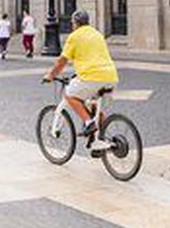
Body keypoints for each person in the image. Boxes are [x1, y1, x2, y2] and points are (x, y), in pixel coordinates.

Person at [42, 10, 118, 150]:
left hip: (91, 77)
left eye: (72, 23)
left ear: (75, 23)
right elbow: (93, 58)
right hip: (111, 77)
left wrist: (51, 75)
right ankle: (100, 141)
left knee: (70, 95)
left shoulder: (74, 37)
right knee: (94, 107)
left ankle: (89, 123)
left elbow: (62, 61)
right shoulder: (97, 34)